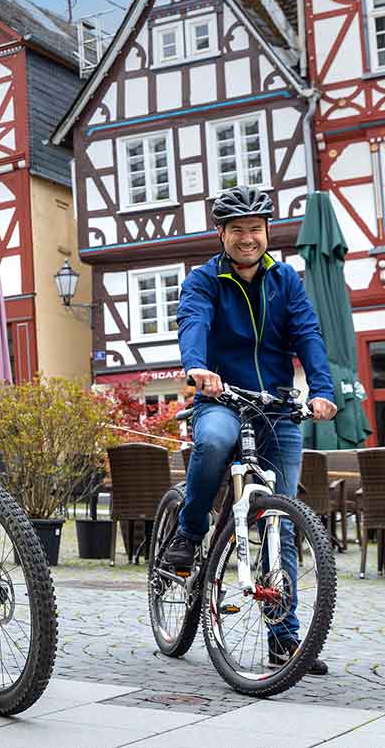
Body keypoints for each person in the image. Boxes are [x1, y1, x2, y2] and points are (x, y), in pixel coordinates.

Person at [163, 185, 338, 675]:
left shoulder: (286, 281)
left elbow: (308, 334)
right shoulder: (204, 280)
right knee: (215, 441)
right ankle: (191, 530)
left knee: (281, 521)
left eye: (255, 229)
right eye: (237, 229)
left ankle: (284, 640)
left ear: (266, 233)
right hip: (221, 399)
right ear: (221, 234)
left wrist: (322, 389)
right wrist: (197, 367)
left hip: (277, 409)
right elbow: (192, 324)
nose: (247, 237)